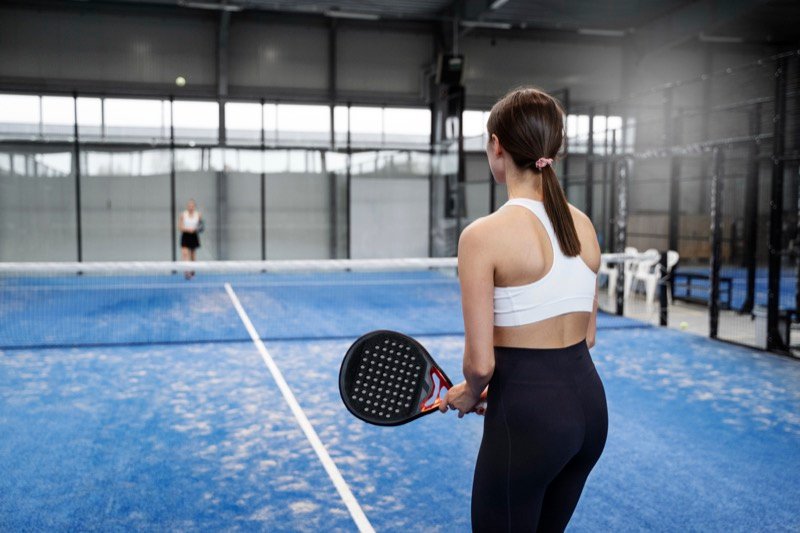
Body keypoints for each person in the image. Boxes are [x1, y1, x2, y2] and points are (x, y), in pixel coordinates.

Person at [440, 87, 607, 532]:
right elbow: (587, 336)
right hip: (589, 412)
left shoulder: (482, 236)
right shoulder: (584, 224)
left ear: (497, 145)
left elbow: (480, 364)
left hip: (532, 421)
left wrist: (470, 392)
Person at [179, 199, 202, 279]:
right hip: (185, 235)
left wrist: (195, 230)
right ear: (187, 207)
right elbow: (180, 227)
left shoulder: (198, 215)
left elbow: (201, 226)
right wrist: (188, 229)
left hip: (194, 236)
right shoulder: (183, 215)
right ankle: (186, 271)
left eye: (192, 206)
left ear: (194, 207)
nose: (190, 207)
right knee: (185, 253)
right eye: (189, 206)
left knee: (192, 255)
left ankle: (192, 271)